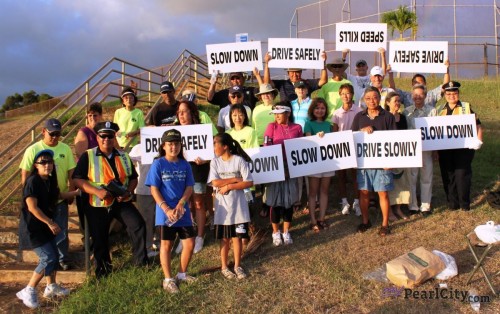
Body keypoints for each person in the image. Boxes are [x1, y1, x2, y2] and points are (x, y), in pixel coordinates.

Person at [72, 121, 148, 278]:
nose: (107, 139)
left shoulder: (124, 156)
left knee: (138, 225)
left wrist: (128, 191)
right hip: (97, 203)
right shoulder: (88, 155)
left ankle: (141, 263)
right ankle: (104, 271)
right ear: (98, 137)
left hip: (121, 201)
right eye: (103, 136)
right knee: (99, 237)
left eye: (110, 136)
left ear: (114, 137)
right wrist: (96, 192)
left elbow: (133, 178)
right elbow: (77, 179)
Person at [16, 150, 77, 309]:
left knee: (55, 255)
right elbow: (32, 207)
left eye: (50, 162)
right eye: (43, 162)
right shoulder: (33, 182)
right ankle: (28, 289)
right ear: (36, 165)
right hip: (33, 228)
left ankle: (51, 286)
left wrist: (76, 192)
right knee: (48, 258)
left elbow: (58, 195)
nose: (47, 165)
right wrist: (50, 222)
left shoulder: (48, 181)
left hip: (44, 226)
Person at [19, 118, 77, 271]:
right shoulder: (33, 150)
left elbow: (72, 172)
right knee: (45, 231)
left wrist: (71, 193)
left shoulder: (65, 149)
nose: (55, 137)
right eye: (52, 134)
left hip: (57, 197)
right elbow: (25, 173)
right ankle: (48, 260)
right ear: (43, 132)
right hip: (40, 201)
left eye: (58, 134)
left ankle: (62, 258)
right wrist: (29, 195)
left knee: (62, 231)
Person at [145, 129, 196, 293]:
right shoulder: (158, 164)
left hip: (182, 211)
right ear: (164, 146)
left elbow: (189, 186)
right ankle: (168, 279)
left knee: (189, 242)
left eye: (176, 144)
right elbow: (154, 189)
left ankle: (181, 274)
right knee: (166, 245)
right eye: (170, 144)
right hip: (165, 212)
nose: (173, 147)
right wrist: (166, 208)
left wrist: (182, 203)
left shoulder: (185, 164)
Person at [351, 87, 396, 236]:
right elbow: (352, 136)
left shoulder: (388, 116)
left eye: (375, 97)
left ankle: (385, 224)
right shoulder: (359, 117)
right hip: (364, 163)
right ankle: (365, 221)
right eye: (368, 98)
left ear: (379, 98)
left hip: (382, 163)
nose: (372, 101)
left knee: (382, 193)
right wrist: (362, 131)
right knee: (363, 193)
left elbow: (394, 140)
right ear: (364, 100)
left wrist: (391, 161)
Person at [208, 133, 253, 279]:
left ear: (225, 146)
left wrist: (228, 187)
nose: (213, 146)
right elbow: (215, 182)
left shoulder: (239, 161)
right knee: (225, 238)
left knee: (237, 238)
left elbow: (248, 182)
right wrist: (234, 180)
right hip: (223, 209)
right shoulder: (214, 162)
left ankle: (237, 266)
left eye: (215, 143)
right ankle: (224, 267)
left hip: (239, 207)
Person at [436, 81, 483, 211]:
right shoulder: (439, 110)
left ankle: (464, 203)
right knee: (448, 175)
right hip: (445, 149)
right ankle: (452, 203)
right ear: (445, 94)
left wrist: (479, 140)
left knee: (462, 174)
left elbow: (478, 124)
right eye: (449, 93)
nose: (452, 96)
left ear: (458, 93)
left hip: (463, 149)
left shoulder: (466, 107)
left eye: (454, 93)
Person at [263, 101, 303, 245]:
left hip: (291, 167)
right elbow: (267, 148)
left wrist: (289, 169)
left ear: (288, 113)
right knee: (275, 201)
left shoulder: (297, 128)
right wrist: (280, 169)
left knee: (288, 202)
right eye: (275, 114)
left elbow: (299, 149)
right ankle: (275, 232)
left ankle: (286, 232)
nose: (276, 116)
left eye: (279, 113)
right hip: (275, 166)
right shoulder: (271, 127)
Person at [175, 101, 211, 254]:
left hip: (197, 170)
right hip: (179, 172)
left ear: (192, 113)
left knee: (198, 203)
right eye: (179, 112)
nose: (181, 115)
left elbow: (211, 153)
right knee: (184, 204)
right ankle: (186, 236)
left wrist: (205, 159)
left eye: (184, 111)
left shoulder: (201, 130)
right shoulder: (173, 131)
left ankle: (200, 236)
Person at [404, 84, 437, 215]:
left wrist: (435, 151)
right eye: (415, 95)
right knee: (411, 177)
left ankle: (425, 205)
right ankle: (412, 205)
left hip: (426, 149)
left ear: (425, 96)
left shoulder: (432, 111)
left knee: (426, 176)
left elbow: (436, 133)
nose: (417, 97)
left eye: (420, 94)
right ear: (412, 96)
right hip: (411, 150)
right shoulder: (406, 112)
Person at [304, 98, 334, 232]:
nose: (320, 110)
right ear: (312, 110)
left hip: (327, 162)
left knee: (324, 191)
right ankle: (312, 220)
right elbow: (309, 139)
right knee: (312, 192)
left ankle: (321, 218)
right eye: (317, 108)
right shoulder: (308, 123)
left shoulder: (329, 124)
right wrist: (318, 137)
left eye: (322, 108)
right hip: (314, 162)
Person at [332, 84, 362, 216]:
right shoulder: (337, 113)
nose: (345, 96)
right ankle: (344, 201)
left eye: (348, 93)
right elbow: (334, 131)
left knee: (355, 175)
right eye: (342, 93)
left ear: (352, 94)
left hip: (355, 146)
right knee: (341, 176)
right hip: (341, 148)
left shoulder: (359, 111)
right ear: (340, 96)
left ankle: (356, 201)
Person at [74, 102, 102, 236]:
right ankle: (86, 236)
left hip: (102, 174)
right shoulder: (83, 132)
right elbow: (80, 153)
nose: (92, 118)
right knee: (85, 208)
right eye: (89, 115)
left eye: (95, 115)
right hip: (87, 175)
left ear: (101, 116)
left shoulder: (103, 131)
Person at [384, 92, 410, 221]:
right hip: (387, 155)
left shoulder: (403, 118)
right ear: (388, 102)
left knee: (401, 182)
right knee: (389, 182)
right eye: (395, 101)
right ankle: (389, 210)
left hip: (401, 154)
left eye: (399, 101)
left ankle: (398, 208)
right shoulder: (383, 117)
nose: (398, 103)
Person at [129, 143, 158, 257]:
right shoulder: (137, 148)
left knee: (159, 218)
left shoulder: (167, 145)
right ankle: (147, 246)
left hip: (163, 189)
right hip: (144, 189)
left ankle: (159, 241)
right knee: (146, 219)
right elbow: (129, 161)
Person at [263, 52, 328, 102]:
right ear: (288, 73)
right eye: (292, 72)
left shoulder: (307, 83)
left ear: (301, 72)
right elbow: (266, 83)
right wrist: (266, 64)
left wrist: (323, 63)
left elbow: (323, 81)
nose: (294, 74)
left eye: (297, 72)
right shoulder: (282, 84)